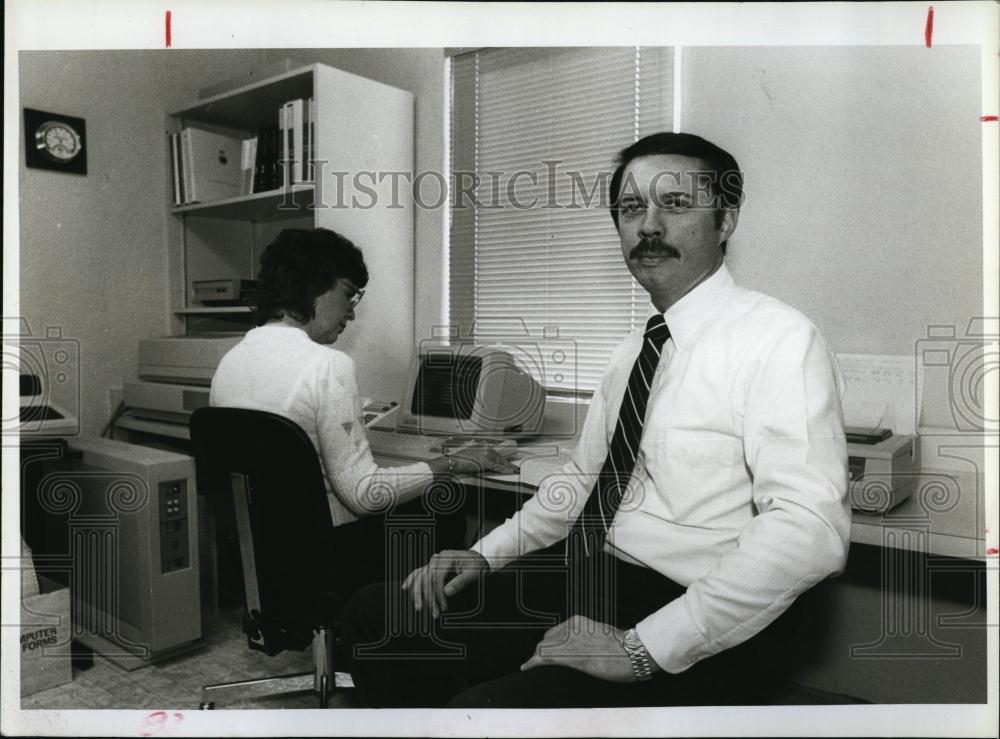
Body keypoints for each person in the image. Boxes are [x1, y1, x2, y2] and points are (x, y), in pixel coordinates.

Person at [341, 133, 852, 708]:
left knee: (483, 712)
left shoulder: (780, 341)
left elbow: (809, 532)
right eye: (632, 208)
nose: (649, 226)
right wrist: (487, 552)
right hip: (592, 574)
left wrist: (639, 649)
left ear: (725, 219)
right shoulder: (633, 350)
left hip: (688, 602)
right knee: (376, 616)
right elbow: (580, 482)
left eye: (676, 204)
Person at [210, 228, 515, 597]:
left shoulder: (231, 359)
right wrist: (455, 464)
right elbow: (365, 495)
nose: (351, 313)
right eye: (348, 294)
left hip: (265, 551)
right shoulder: (327, 365)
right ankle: (397, 633)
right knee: (444, 506)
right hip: (324, 555)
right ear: (312, 284)